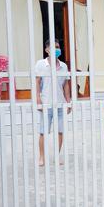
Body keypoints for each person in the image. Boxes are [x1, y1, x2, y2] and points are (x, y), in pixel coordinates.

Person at [36, 39, 71, 167]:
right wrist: (38, 98)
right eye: (54, 47)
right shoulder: (40, 64)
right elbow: (37, 82)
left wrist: (68, 101)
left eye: (58, 47)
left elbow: (66, 84)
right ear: (47, 50)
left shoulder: (63, 66)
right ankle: (42, 157)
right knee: (43, 132)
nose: (57, 49)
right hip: (46, 103)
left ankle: (57, 156)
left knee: (60, 131)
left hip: (60, 104)